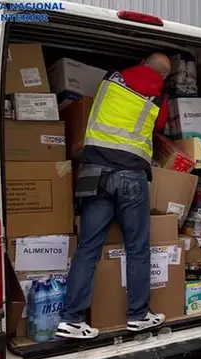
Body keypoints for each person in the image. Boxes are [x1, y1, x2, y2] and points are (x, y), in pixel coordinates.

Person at [55, 53, 172, 340]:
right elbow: (158, 129)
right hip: (131, 175)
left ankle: (71, 319)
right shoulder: (159, 98)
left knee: (88, 247)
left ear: (142, 63)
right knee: (137, 248)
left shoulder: (110, 79)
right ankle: (138, 316)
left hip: (93, 172)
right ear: (164, 77)